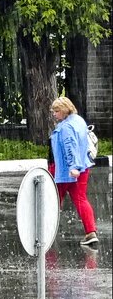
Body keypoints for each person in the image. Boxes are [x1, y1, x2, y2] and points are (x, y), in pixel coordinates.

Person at [49, 96, 98, 247]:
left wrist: (73, 167)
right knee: (81, 199)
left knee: (53, 199)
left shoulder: (66, 127)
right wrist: (78, 167)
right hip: (83, 167)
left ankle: (46, 232)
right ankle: (91, 232)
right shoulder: (79, 121)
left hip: (65, 170)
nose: (54, 114)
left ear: (64, 110)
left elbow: (70, 147)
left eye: (56, 111)